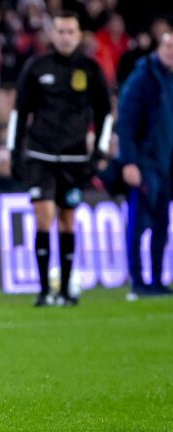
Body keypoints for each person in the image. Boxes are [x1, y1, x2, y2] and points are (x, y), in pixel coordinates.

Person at [8, 11, 112, 307]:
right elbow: (20, 112)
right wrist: (15, 152)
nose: (65, 37)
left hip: (75, 158)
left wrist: (99, 152)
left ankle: (65, 289)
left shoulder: (90, 69)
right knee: (44, 217)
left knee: (68, 220)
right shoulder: (36, 67)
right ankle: (44, 290)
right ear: (52, 35)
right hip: (40, 155)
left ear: (79, 35)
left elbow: (105, 113)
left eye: (70, 32)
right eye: (61, 31)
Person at [117, 32, 173, 298]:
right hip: (145, 163)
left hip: (167, 164)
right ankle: (138, 281)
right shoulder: (143, 78)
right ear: (159, 47)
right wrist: (129, 161)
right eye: (167, 45)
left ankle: (158, 280)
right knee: (139, 223)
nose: (171, 51)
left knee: (162, 223)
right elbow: (126, 122)